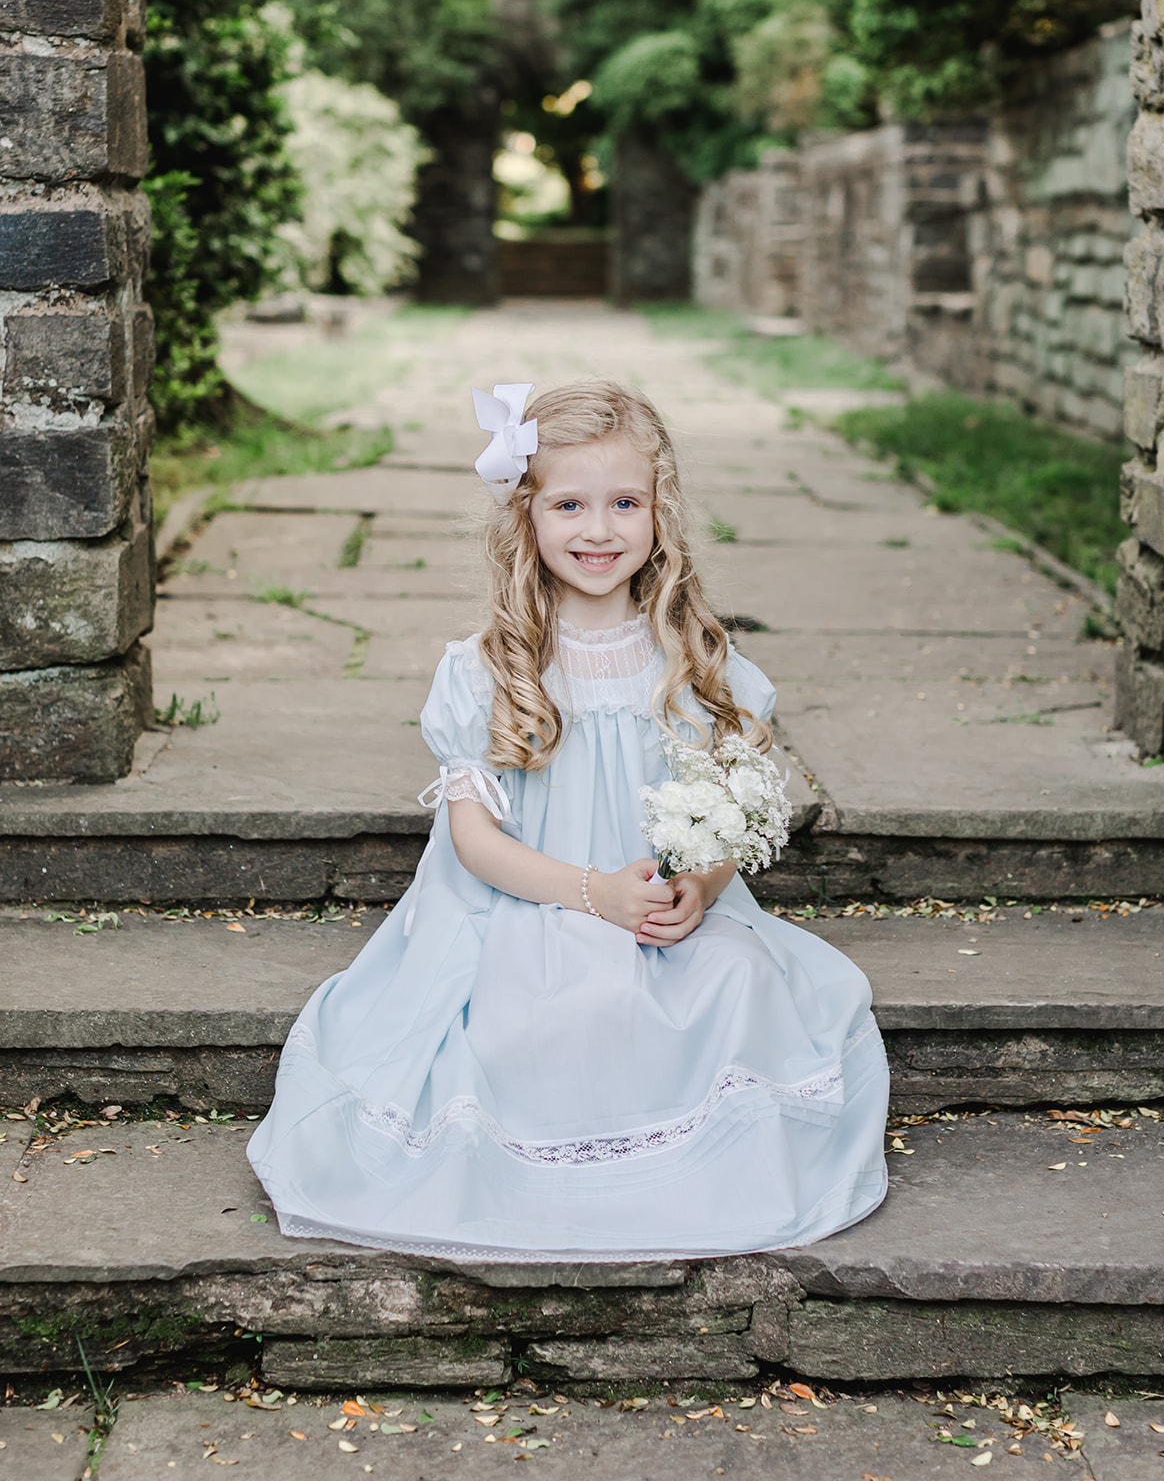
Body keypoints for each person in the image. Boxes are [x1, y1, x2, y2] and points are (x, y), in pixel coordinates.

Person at [248, 379, 889, 1259]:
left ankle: (699, 1176)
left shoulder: (698, 664)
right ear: (527, 515)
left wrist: (696, 889)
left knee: (739, 981)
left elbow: (724, 819)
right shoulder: (487, 671)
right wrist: (594, 895)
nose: (598, 530)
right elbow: (475, 844)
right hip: (529, 905)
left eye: (625, 502)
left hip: (661, 913)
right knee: (551, 1008)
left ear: (660, 510)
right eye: (569, 504)